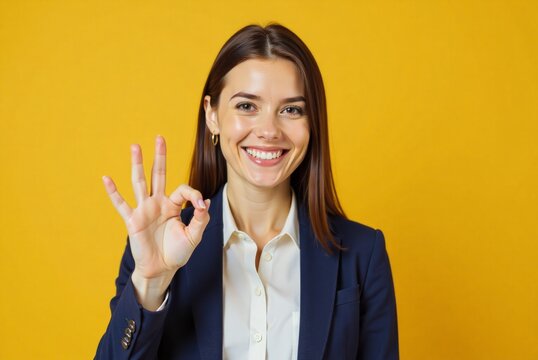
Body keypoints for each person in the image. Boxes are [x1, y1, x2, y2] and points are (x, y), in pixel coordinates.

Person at [95, 23, 399, 360]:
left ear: (311, 123)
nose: (269, 130)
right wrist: (152, 282)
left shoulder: (363, 254)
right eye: (246, 106)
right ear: (212, 115)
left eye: (291, 110)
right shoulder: (163, 243)